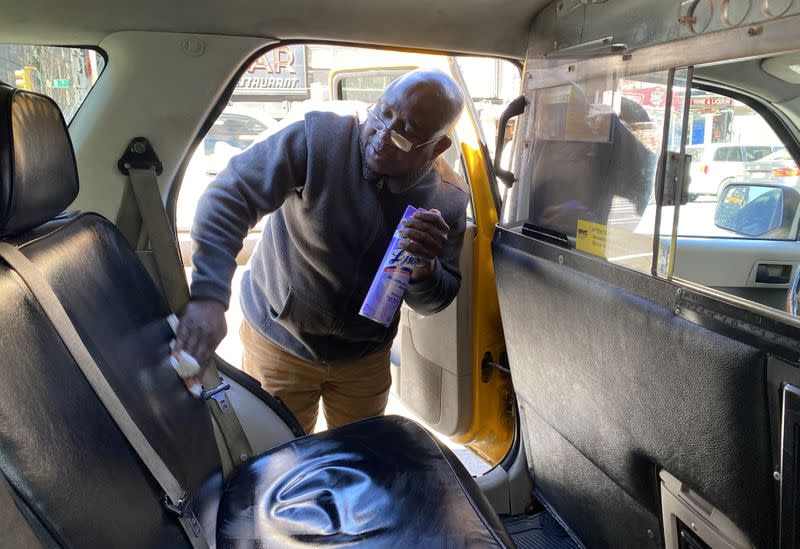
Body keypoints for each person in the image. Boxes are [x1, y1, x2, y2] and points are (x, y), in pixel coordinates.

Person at [175, 69, 468, 434]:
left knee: (359, 462)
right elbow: (230, 197)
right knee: (281, 457)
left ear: (438, 147)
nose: (382, 135)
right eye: (382, 112)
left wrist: (424, 268)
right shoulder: (320, 139)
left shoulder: (448, 201)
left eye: (406, 135)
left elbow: (435, 301)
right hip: (280, 342)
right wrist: (209, 296)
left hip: (366, 359)